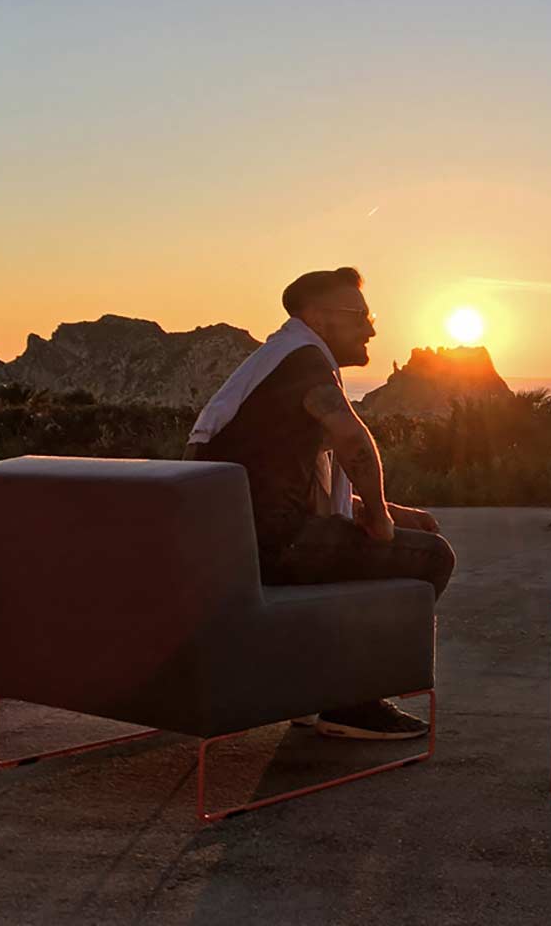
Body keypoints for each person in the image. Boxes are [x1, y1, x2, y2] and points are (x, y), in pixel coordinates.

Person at [184, 267, 455, 741]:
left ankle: (315, 687)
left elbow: (280, 479)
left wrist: (379, 507)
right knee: (431, 557)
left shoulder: (277, 363)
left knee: (406, 537)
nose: (371, 329)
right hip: (272, 546)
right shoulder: (304, 362)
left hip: (234, 542)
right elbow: (352, 439)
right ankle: (350, 699)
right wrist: (380, 520)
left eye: (371, 316)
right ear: (316, 316)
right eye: (359, 316)